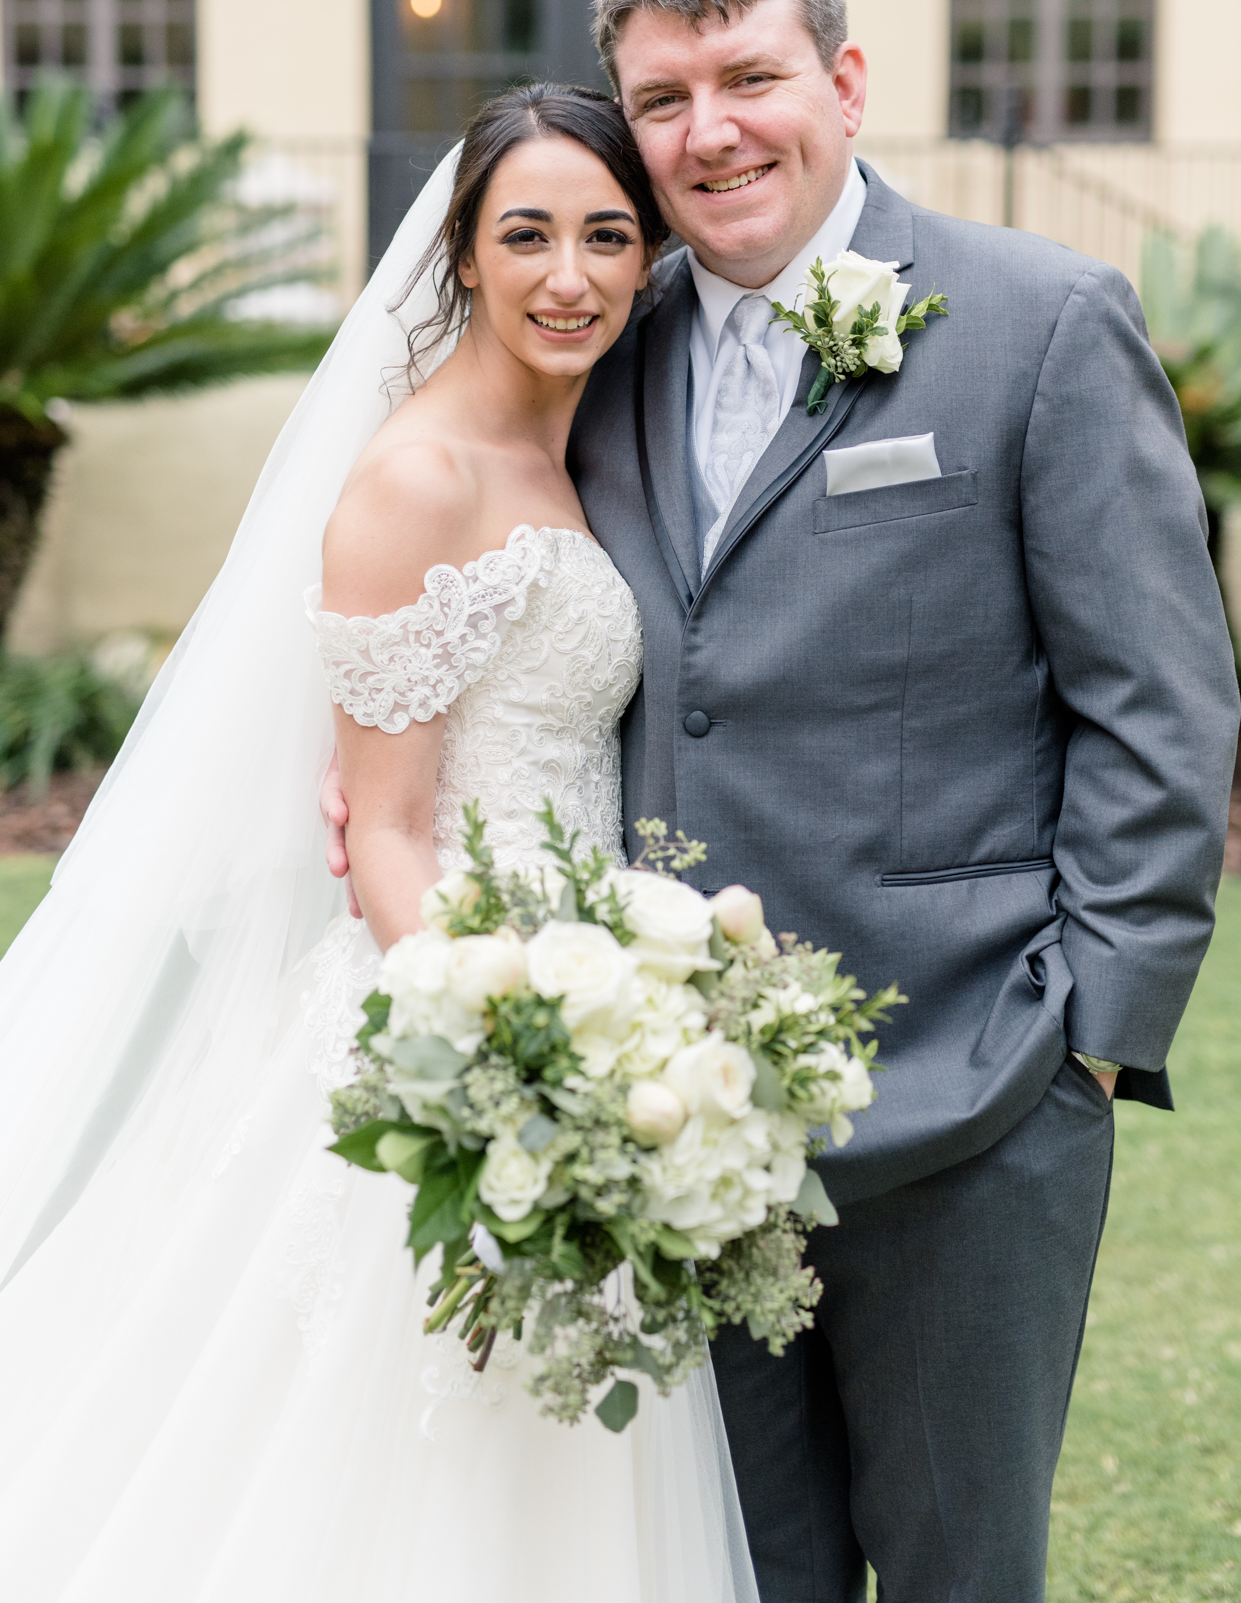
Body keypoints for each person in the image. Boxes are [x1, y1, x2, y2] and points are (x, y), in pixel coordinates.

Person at [329, 0, 1240, 1603]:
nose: (711, 130)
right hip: (671, 1111)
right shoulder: (600, 338)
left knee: (966, 1571)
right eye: (663, 98)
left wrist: (1092, 1038)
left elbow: (1160, 703)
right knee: (734, 1574)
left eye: (752, 77)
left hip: (974, 1086)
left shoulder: (1039, 323)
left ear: (845, 81)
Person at [0, 86, 759, 1603]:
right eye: (527, 234)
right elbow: (389, 829)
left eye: (610, 236)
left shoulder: (580, 444)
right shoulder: (419, 477)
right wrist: (514, 1054)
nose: (571, 274)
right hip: (462, 1033)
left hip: (595, 1016)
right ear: (463, 258)